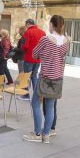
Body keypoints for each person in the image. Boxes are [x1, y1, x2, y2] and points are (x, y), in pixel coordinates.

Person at [23, 15, 68, 144]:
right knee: (50, 107)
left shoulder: (46, 39)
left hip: (45, 77)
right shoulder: (66, 41)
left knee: (35, 104)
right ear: (62, 26)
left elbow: (34, 54)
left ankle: (37, 134)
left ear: (51, 25)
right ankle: (46, 135)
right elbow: (62, 59)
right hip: (58, 78)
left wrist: (44, 55)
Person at [22, 18, 46, 91]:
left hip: (29, 58)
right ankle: (36, 93)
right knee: (34, 75)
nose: (26, 27)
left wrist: (22, 47)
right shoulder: (42, 32)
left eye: (26, 25)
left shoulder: (28, 32)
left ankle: (25, 94)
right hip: (38, 59)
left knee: (26, 76)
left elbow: (25, 46)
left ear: (28, 24)